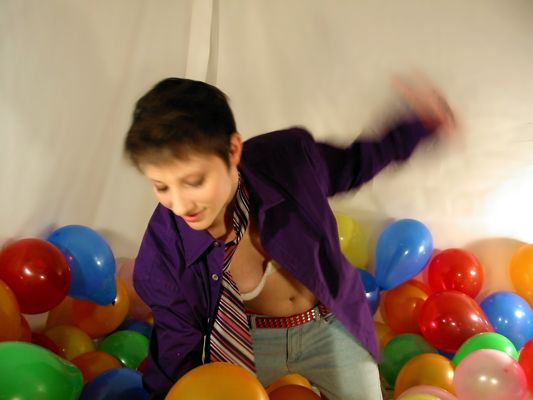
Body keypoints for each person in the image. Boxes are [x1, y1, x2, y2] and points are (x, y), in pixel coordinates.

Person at [124, 75, 454, 399]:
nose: (181, 205)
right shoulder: (163, 256)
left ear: (233, 150)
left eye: (194, 181)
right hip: (246, 342)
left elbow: (353, 163)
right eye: (162, 187)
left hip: (328, 324)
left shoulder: (289, 160)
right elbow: (177, 351)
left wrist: (415, 129)